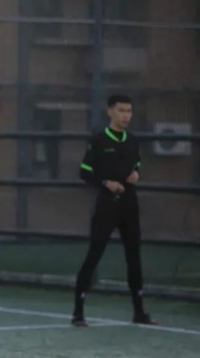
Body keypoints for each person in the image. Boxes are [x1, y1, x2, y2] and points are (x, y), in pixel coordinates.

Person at [73, 95, 157, 327]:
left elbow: (137, 165)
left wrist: (137, 174)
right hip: (107, 205)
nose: (126, 115)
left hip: (129, 204)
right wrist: (106, 183)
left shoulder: (133, 141)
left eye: (129, 111)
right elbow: (85, 172)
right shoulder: (99, 140)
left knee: (134, 257)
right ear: (110, 111)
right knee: (94, 254)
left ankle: (139, 312)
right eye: (121, 110)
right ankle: (78, 313)